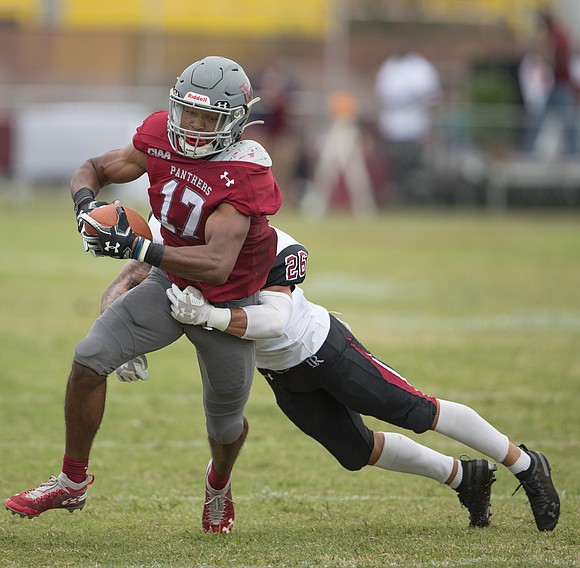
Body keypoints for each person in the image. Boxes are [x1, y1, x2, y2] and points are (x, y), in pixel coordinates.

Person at [107, 220, 559, 532]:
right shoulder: (184, 224)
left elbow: (275, 322)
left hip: (322, 348)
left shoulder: (273, 245)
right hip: (278, 374)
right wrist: (117, 326)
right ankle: (465, 478)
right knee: (356, 452)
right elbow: (130, 275)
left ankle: (526, 464)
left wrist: (209, 315)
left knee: (416, 410)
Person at [4, 55, 283, 535]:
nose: (193, 128)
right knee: (89, 358)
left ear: (234, 123)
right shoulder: (159, 134)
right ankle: (73, 481)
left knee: (225, 425)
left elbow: (217, 264)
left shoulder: (246, 173)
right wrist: (85, 207)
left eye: (208, 118)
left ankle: (219, 483)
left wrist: (138, 247)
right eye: (188, 113)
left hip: (225, 305)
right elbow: (94, 166)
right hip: (169, 286)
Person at [374, 49, 441, 204]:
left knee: (412, 164)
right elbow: (380, 95)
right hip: (393, 126)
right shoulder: (389, 67)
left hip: (415, 126)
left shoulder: (421, 67)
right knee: (395, 163)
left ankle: (410, 196)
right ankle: (396, 194)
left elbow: (432, 98)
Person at [522, 10, 578, 156]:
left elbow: (557, 60)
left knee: (566, 120)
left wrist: (544, 59)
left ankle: (572, 153)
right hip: (551, 86)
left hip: (560, 84)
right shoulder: (555, 36)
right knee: (540, 118)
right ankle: (529, 150)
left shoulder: (558, 37)